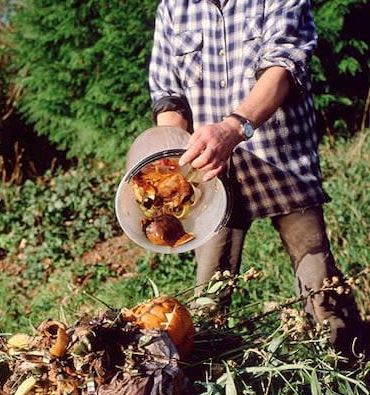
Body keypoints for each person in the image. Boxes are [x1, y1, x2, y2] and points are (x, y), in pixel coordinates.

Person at [148, 0, 367, 359]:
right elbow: (167, 96)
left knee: (319, 279)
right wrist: (176, 162)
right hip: (210, 174)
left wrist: (231, 129)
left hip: (282, 159)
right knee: (209, 293)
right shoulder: (173, 7)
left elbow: (282, 68)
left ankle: (350, 364)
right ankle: (213, 375)